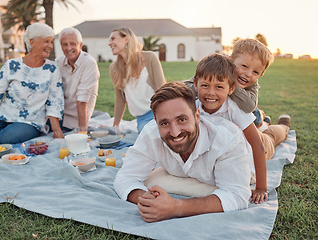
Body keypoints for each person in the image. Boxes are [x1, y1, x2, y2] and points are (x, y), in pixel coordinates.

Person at [114, 82, 252, 223]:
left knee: (269, 138)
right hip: (188, 173)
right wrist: (148, 201)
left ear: (197, 116)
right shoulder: (151, 134)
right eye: (165, 123)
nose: (175, 132)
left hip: (253, 151)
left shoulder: (228, 139)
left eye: (182, 120)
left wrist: (176, 207)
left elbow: (237, 195)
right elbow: (125, 178)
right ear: (156, 122)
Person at [193, 53, 290, 204]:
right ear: (196, 84)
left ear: (231, 89)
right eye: (205, 85)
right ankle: (264, 122)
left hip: (260, 149)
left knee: (271, 137)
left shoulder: (233, 108)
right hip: (232, 147)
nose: (211, 92)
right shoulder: (194, 106)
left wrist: (261, 188)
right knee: (263, 131)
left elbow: (257, 145)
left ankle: (283, 126)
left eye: (219, 87)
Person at [0, 22, 64, 145]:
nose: (50, 46)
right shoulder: (11, 65)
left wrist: (57, 130)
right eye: (46, 41)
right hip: (4, 114)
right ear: (32, 42)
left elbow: (55, 101)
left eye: (51, 42)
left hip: (30, 121)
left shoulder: (53, 68)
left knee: (6, 138)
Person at [184, 39, 274, 131]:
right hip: (221, 111)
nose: (249, 74)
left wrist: (227, 85)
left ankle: (266, 122)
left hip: (244, 112)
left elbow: (249, 106)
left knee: (257, 118)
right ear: (230, 60)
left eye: (255, 72)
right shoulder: (219, 68)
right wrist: (205, 86)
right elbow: (189, 85)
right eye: (244, 66)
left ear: (261, 74)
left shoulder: (252, 83)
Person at [108, 27, 166, 133]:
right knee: (147, 136)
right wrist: (116, 124)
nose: (109, 43)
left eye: (113, 39)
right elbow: (120, 99)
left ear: (126, 39)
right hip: (142, 119)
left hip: (158, 112)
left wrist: (161, 118)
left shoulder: (150, 58)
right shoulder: (114, 68)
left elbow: (161, 89)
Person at [55, 28, 100, 132]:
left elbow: (82, 101)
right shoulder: (58, 62)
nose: (68, 48)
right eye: (64, 44)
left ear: (80, 45)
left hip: (76, 122)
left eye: (72, 44)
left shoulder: (89, 63)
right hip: (57, 118)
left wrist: (82, 131)